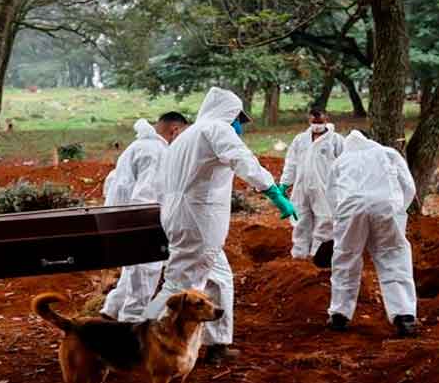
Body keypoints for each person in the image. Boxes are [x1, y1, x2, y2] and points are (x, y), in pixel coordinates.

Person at [143, 87, 297, 364]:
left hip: (180, 214)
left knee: (220, 279)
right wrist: (273, 192)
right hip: (199, 219)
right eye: (238, 119)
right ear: (228, 113)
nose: (239, 126)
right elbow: (242, 160)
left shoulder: (186, 135)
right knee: (180, 285)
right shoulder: (216, 128)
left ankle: (217, 344)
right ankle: (136, 342)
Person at [325, 130, 418, 337]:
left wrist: (340, 220)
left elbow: (331, 195)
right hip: (385, 206)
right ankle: (404, 316)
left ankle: (339, 314)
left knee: (346, 258)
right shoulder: (388, 153)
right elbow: (408, 186)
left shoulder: (340, 162)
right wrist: (397, 209)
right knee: (393, 256)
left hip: (350, 209)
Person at [100, 112, 190, 322]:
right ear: (175, 130)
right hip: (141, 222)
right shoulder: (157, 152)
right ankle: (130, 326)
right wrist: (152, 230)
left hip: (123, 219)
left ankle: (111, 311)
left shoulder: (139, 146)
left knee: (132, 273)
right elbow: (145, 196)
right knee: (144, 276)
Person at [280, 107, 344, 260]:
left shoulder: (336, 140)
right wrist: (285, 183)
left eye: (320, 122)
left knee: (325, 220)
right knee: (300, 219)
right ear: (309, 119)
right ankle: (299, 254)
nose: (317, 125)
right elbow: (291, 162)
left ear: (326, 119)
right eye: (314, 121)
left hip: (324, 188)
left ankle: (317, 255)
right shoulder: (300, 139)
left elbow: (344, 164)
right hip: (301, 187)